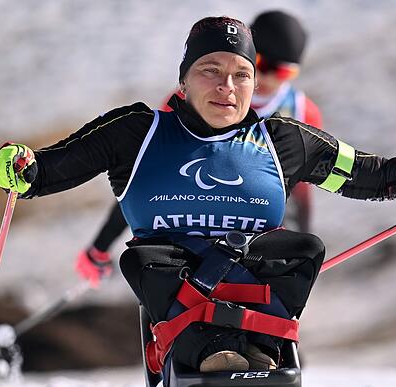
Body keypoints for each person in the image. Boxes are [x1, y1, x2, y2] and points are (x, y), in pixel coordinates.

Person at [0, 16, 396, 373]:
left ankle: (253, 349)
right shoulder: (136, 131)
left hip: (248, 278)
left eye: (241, 75)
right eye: (210, 70)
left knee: (304, 249)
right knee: (143, 258)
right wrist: (19, 168)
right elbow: (49, 170)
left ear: (255, 85)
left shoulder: (284, 140)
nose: (226, 87)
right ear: (184, 81)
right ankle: (214, 350)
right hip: (173, 277)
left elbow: (373, 174)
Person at [75, 10, 321, 289]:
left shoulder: (302, 112)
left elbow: (302, 193)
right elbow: (146, 177)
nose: (266, 77)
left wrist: (301, 261)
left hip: (253, 251)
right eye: (262, 63)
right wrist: (101, 246)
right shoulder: (191, 100)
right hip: (187, 247)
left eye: (282, 71)